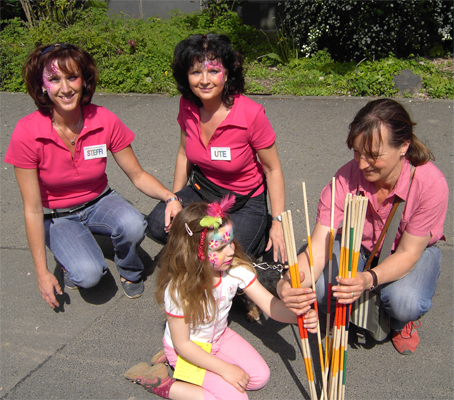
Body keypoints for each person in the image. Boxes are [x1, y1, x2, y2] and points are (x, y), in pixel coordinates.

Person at [4, 43, 182, 308]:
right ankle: (71, 253)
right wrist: (42, 273)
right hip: (57, 215)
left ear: (84, 80)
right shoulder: (27, 132)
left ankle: (129, 270)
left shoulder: (103, 119)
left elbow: (137, 174)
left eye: (72, 77)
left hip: (100, 201)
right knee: (88, 276)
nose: (65, 88)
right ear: (42, 86)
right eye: (54, 79)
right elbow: (31, 210)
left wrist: (171, 197)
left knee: (134, 224)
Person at [277, 99, 448, 355]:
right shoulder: (345, 178)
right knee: (320, 290)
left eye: (374, 156)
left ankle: (402, 322)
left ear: (403, 146)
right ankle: (346, 307)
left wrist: (366, 279)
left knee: (405, 302)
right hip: (360, 248)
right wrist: (287, 284)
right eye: (357, 152)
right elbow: (319, 247)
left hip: (409, 251)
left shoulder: (430, 184)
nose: (362, 163)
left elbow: (408, 253)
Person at [124, 197, 317, 399]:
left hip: (218, 337)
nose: (231, 251)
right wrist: (225, 369)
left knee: (260, 377)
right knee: (236, 397)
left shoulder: (236, 269)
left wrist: (298, 316)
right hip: (186, 348)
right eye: (219, 248)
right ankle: (163, 384)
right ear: (194, 254)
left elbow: (271, 306)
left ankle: (184, 368)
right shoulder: (180, 290)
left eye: (230, 241)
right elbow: (184, 344)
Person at [146, 34, 286, 262]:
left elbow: (273, 170)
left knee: (225, 258)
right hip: (203, 190)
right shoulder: (187, 105)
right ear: (186, 76)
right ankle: (202, 242)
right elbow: (184, 153)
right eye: (195, 72)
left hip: (244, 201)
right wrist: (174, 199)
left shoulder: (251, 114)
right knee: (157, 225)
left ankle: (261, 230)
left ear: (227, 73)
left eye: (213, 71)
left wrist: (279, 221)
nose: (204, 80)